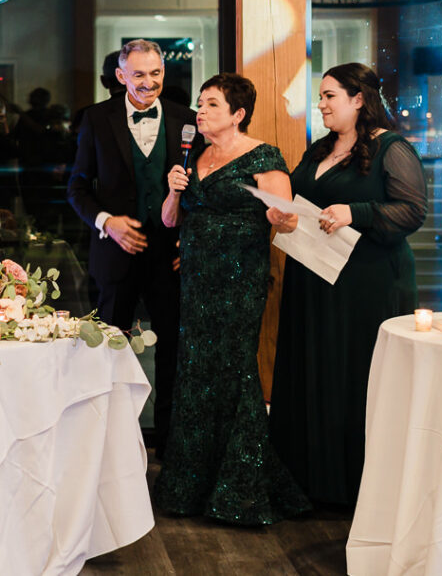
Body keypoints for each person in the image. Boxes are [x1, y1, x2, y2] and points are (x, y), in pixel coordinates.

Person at [151, 73, 310, 524]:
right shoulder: (194, 156)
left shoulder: (263, 156)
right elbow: (169, 222)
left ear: (238, 114)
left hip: (239, 281)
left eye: (212, 105)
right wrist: (173, 190)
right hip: (197, 282)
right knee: (196, 372)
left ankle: (239, 488)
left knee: (233, 371)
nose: (200, 112)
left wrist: (281, 217)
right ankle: (191, 483)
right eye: (200, 104)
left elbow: (290, 221)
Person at [268, 62, 427, 506]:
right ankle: (307, 483)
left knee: (353, 376)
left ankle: (354, 490)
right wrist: (282, 215)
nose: (320, 104)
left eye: (329, 96)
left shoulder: (391, 149)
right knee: (312, 370)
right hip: (312, 278)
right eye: (320, 96)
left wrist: (354, 213)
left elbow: (412, 211)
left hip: (366, 285)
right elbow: (304, 201)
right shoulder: (319, 149)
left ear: (359, 100)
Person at [67, 38, 196, 456]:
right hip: (114, 256)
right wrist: (108, 222)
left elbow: (199, 191)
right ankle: (110, 446)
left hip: (168, 258)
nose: (149, 82)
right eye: (138, 74)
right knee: (107, 350)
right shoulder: (96, 119)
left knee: (174, 353)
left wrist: (188, 243)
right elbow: (78, 187)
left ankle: (171, 448)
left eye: (155, 73)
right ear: (121, 76)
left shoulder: (185, 119)